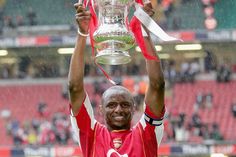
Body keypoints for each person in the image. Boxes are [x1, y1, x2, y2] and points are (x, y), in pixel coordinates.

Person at [68, 1, 166, 157]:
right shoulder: (91, 134)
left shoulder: (147, 133)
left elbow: (158, 85)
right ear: (100, 109)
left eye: (125, 104)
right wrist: (82, 33)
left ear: (134, 108)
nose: (118, 109)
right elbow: (74, 87)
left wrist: (143, 30)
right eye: (111, 105)